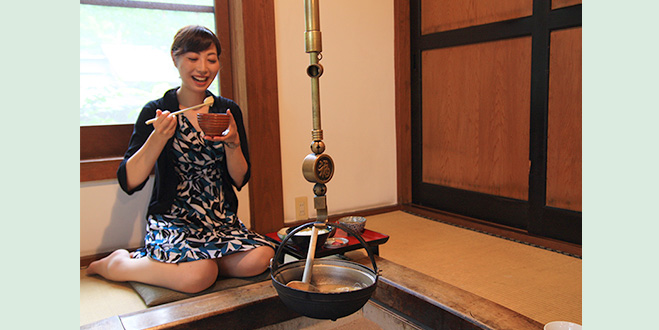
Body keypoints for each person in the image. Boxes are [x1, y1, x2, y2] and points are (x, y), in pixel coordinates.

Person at [86, 25, 275, 293]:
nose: (203, 68)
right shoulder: (156, 111)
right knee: (197, 275)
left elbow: (240, 178)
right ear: (175, 59)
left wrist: (233, 143)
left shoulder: (227, 110)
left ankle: (200, 263)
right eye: (193, 58)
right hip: (173, 219)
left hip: (219, 220)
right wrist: (158, 137)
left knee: (263, 256)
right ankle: (116, 265)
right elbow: (129, 181)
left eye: (211, 59)